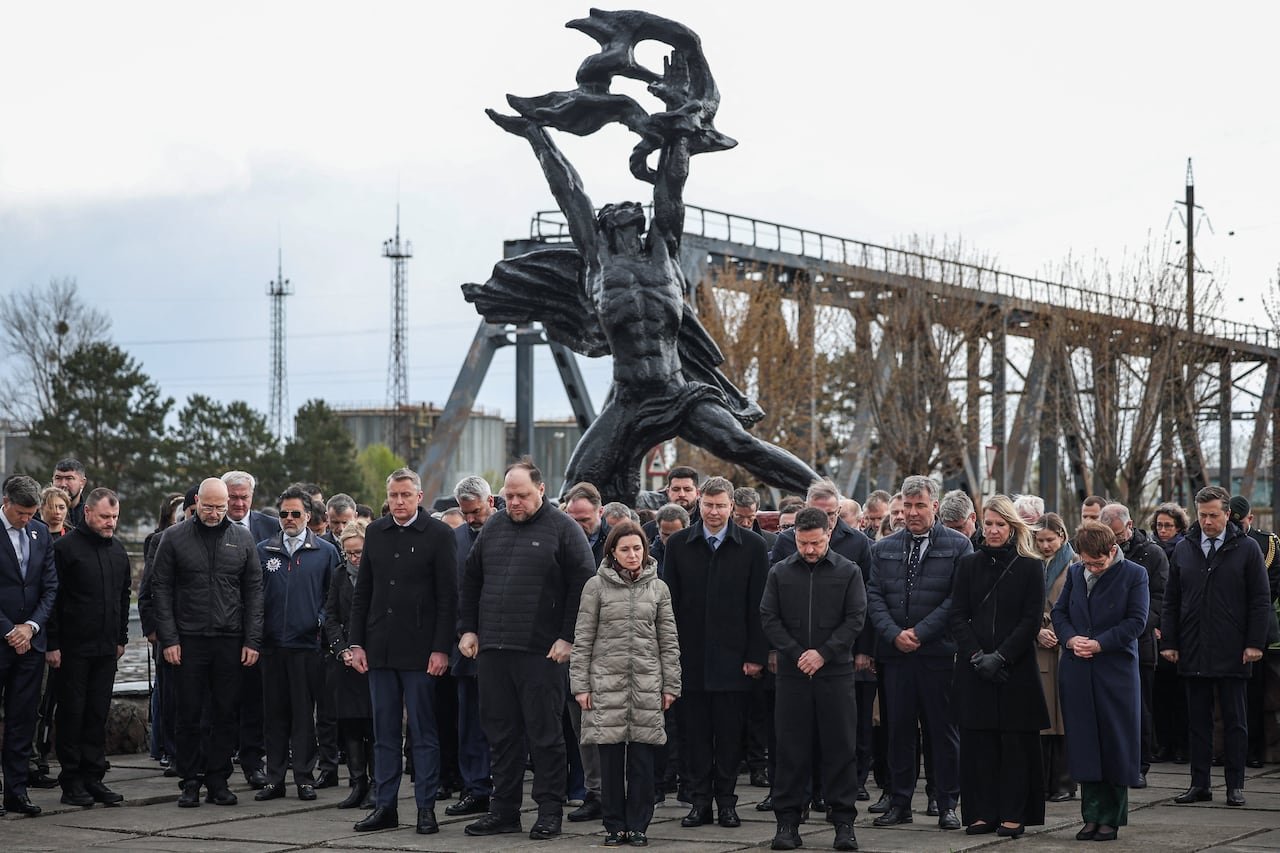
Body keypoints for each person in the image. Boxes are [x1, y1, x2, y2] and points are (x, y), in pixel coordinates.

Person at [458, 459, 595, 841]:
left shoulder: (564, 529)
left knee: (545, 736)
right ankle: (504, 811)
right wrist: (467, 629)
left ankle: (549, 812)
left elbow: (583, 587)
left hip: (542, 653)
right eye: (508, 496)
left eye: (521, 496)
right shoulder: (494, 527)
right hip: (494, 652)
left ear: (541, 490)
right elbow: (471, 580)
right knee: (501, 737)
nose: (513, 503)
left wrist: (568, 637)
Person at [347, 468, 457, 834]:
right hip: (380, 648)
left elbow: (448, 598)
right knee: (385, 733)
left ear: (419, 497)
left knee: (424, 733)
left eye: (405, 495)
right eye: (393, 495)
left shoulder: (439, 535)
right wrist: (356, 642)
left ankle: (426, 807)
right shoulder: (376, 533)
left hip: (422, 651)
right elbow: (363, 592)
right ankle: (386, 806)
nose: (398, 502)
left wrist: (442, 649)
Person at [663, 476, 769, 830]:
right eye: (708, 505)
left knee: (728, 738)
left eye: (721, 506)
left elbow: (759, 606)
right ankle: (699, 803)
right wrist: (670, 657)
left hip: (734, 661)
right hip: (689, 661)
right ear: (699, 505)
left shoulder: (752, 546)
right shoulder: (679, 545)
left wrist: (755, 655)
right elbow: (670, 606)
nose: (713, 512)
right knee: (693, 738)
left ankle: (726, 803)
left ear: (732, 508)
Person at [151, 477, 264, 808]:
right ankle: (190, 780)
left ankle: (218, 779)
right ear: (196, 502)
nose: (215, 513)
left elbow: (254, 593)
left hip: (230, 640)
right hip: (188, 640)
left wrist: (252, 640)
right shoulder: (173, 538)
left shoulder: (242, 539)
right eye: (208, 506)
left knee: (225, 714)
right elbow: (161, 589)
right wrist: (169, 639)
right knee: (188, 713)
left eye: (220, 507)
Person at [759, 507, 866, 852]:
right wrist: (795, 652)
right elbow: (769, 617)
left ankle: (844, 824)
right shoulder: (780, 572)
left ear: (828, 536)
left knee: (840, 748)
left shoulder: (848, 572)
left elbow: (855, 618)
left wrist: (824, 652)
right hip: (793, 675)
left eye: (816, 543)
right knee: (791, 749)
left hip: (834, 674)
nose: (809, 550)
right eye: (803, 543)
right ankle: (787, 823)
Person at [865, 475, 969, 831]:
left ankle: (946, 803)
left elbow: (958, 599)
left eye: (919, 505)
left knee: (942, 732)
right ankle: (900, 802)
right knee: (899, 733)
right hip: (896, 657)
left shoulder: (958, 546)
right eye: (907, 506)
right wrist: (894, 635)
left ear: (934, 506)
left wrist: (920, 633)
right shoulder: (883, 548)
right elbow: (873, 596)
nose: (912, 513)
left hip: (938, 656)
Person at [571, 520, 681, 847]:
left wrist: (671, 685)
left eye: (637, 548)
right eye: (625, 549)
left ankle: (639, 825)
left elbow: (669, 640)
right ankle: (614, 825)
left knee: (643, 763)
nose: (632, 555)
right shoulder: (596, 587)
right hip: (606, 683)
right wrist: (581, 685)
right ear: (613, 553)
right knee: (610, 762)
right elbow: (583, 638)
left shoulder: (658, 588)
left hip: (647, 684)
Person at [1161, 486, 1270, 808]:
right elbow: (1172, 600)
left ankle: (1234, 786)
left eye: (1213, 515)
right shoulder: (1185, 549)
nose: (1207, 521)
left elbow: (1260, 600)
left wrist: (1254, 642)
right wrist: (1170, 641)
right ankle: (1200, 784)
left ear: (1227, 514)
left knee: (1235, 721)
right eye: (1202, 515)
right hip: (1194, 647)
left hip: (1233, 648)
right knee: (1198, 721)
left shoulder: (1247, 549)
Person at [949, 495, 1048, 837]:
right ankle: (980, 812)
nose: (993, 530)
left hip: (1015, 668)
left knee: (1015, 745)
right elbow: (957, 615)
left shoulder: (1031, 566)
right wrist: (978, 656)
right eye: (988, 524)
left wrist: (1001, 656)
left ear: (1012, 527)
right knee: (978, 745)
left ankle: (1013, 813)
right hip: (975, 668)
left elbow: (1030, 619)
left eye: (1000, 525)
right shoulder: (967, 565)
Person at [1052, 521, 1148, 842]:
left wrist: (1100, 643)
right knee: (1084, 745)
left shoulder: (1134, 574)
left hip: (1115, 672)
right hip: (1078, 669)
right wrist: (1070, 639)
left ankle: (1111, 818)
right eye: (1087, 562)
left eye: (1098, 562)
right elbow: (1060, 612)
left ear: (1112, 550)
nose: (1092, 568)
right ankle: (1091, 816)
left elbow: (1136, 621)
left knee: (1115, 744)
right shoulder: (1077, 573)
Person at [45, 488, 130, 807]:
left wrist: (121, 638)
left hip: (106, 648)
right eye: (106, 517)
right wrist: (52, 644)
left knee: (97, 714)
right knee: (72, 714)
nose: (111, 523)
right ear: (88, 513)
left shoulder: (118, 551)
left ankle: (94, 777)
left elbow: (124, 596)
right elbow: (52, 598)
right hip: (72, 649)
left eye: (116, 517)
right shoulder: (65, 549)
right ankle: (72, 781)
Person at [252, 486, 338, 803]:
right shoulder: (263, 550)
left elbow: (332, 598)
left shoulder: (325, 552)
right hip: (272, 646)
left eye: (296, 514)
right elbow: (254, 595)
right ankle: (275, 778)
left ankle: (304, 777)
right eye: (284, 514)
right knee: (273, 715)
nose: (289, 519)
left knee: (304, 716)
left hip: (307, 647)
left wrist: (317, 621)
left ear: (308, 516)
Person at [0, 475, 58, 817]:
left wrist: (31, 627)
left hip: (31, 644)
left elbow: (50, 586)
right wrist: (9, 630)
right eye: (21, 513)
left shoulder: (39, 534)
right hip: (3, 638)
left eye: (31, 513)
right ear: (6, 501)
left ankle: (17, 792)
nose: (27, 519)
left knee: (23, 720)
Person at [1099, 502, 1167, 787]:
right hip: (1104, 644)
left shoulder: (1152, 555)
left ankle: (1139, 764)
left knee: (1140, 709)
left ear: (1129, 525)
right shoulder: (1100, 552)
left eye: (1116, 534)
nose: (1112, 540)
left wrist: (1132, 627)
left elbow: (1160, 599)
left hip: (1139, 643)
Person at [221, 470, 281, 790]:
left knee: (254, 701)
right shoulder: (209, 528)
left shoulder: (270, 527)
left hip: (258, 630)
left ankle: (253, 762)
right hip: (220, 628)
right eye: (233, 497)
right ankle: (215, 765)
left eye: (244, 497)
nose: (239, 503)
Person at [442, 476, 497, 818]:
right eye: (466, 514)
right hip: (464, 648)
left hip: (503, 647)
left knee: (502, 724)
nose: (472, 519)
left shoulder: (506, 532)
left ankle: (504, 790)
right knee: (469, 725)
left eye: (476, 511)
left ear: (490, 502)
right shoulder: (456, 539)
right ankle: (475, 788)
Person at [323, 520, 374, 810]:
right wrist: (342, 650)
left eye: (358, 553)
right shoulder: (340, 575)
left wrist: (362, 650)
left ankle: (377, 783)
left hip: (370, 659)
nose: (354, 559)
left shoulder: (378, 574)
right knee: (350, 725)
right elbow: (330, 615)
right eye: (349, 553)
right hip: (344, 661)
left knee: (373, 725)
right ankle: (358, 783)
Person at [1227, 496, 1280, 768]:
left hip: (1255, 626)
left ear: (1250, 519)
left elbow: (1270, 586)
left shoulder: (1267, 543)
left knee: (1256, 693)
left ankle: (1255, 749)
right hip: (1225, 627)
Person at [1034, 512, 1076, 801]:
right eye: (1040, 540)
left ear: (1062, 536)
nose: (1045, 545)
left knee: (1064, 717)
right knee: (1043, 716)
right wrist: (1036, 629)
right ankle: (1043, 780)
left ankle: (1064, 782)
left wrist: (1061, 630)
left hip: (1064, 645)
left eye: (1050, 539)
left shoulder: (1074, 564)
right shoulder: (1031, 562)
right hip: (1038, 645)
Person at [1149, 502, 1190, 763]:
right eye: (1160, 525)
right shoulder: (1152, 552)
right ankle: (1163, 743)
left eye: (1168, 526)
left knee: (1181, 693)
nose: (1163, 530)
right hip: (1157, 629)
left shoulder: (1184, 551)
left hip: (1181, 627)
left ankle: (1181, 745)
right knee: (1160, 693)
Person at [642, 467, 701, 539]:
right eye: (676, 489)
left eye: (687, 490)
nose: (681, 494)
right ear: (668, 492)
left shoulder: (707, 527)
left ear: (698, 493)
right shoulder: (649, 530)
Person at [51, 459, 88, 529]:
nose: (63, 484)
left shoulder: (89, 516)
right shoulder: (39, 515)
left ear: (82, 483)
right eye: (58, 478)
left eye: (69, 478)